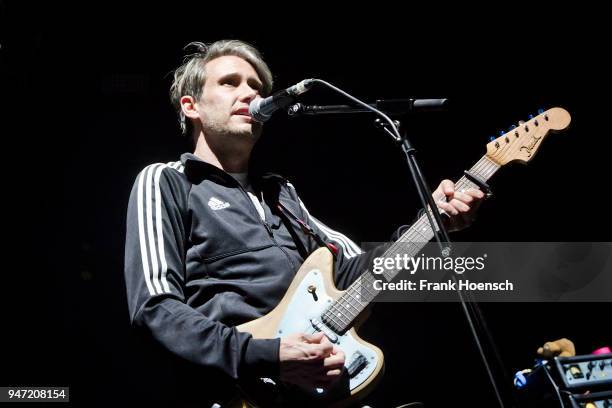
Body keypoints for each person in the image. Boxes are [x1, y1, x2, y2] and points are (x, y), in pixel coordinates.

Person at [123, 40, 485, 406]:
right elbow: (155, 306)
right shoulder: (168, 181)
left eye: (256, 86)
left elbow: (356, 273)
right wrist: (266, 355)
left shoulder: (282, 194)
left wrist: (429, 223)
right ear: (192, 106)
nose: (249, 93)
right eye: (230, 82)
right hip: (239, 391)